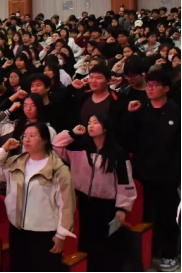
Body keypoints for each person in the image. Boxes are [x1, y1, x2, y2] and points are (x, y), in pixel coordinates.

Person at [0, 123, 76, 272]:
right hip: (17, 229)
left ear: (45, 140)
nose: (26, 139)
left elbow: (67, 204)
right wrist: (4, 150)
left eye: (32, 136)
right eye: (24, 136)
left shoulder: (58, 169)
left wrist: (61, 235)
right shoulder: (16, 162)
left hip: (44, 233)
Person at [53, 116, 136, 272]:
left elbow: (125, 182)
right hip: (83, 202)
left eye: (96, 123)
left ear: (105, 128)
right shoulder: (79, 147)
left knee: (106, 245)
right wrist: (72, 133)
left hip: (106, 205)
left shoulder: (117, 153)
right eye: (89, 123)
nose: (90, 126)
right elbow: (56, 146)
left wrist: (122, 208)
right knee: (85, 242)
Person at [125, 70, 180, 272]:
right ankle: (150, 251)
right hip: (143, 173)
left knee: (167, 216)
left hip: (167, 175)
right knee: (146, 214)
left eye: (155, 85)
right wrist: (130, 115)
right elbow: (128, 138)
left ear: (166, 88)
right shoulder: (141, 109)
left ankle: (170, 254)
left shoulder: (176, 111)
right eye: (148, 85)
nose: (150, 89)